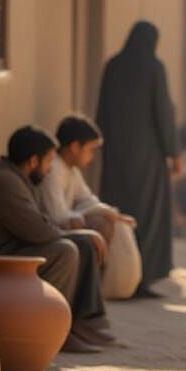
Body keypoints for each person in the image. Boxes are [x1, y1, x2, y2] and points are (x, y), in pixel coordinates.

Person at [0, 126, 114, 353]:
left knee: (80, 245)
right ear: (33, 161)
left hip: (0, 261)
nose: (48, 171)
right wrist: (79, 235)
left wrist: (81, 236)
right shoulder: (4, 182)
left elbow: (39, 227)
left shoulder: (17, 179)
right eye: (48, 162)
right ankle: (52, 329)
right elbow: (38, 231)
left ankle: (78, 324)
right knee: (66, 251)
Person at [96, 21, 181, 298]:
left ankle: (113, 274)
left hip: (116, 155)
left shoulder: (112, 66)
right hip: (148, 156)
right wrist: (173, 153)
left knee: (118, 212)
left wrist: (102, 146)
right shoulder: (154, 68)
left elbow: (102, 111)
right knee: (147, 214)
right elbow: (163, 114)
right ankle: (139, 278)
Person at [38, 115, 141, 297]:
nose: (92, 157)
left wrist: (112, 213)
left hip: (65, 226)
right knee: (99, 223)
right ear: (75, 147)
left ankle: (91, 288)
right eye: (90, 150)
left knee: (104, 220)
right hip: (50, 232)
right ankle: (86, 289)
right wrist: (102, 212)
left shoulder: (72, 171)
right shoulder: (53, 169)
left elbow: (88, 199)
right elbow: (57, 215)